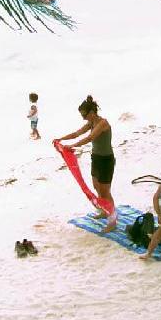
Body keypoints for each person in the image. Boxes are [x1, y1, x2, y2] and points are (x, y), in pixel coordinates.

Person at [56, 95, 117, 232]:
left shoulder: (103, 123)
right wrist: (61, 139)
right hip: (95, 158)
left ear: (92, 112)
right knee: (96, 187)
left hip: (106, 160)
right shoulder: (91, 123)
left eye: (84, 115)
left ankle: (113, 221)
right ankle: (104, 211)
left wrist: (72, 146)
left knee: (105, 192)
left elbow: (90, 137)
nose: (83, 118)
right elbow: (76, 133)